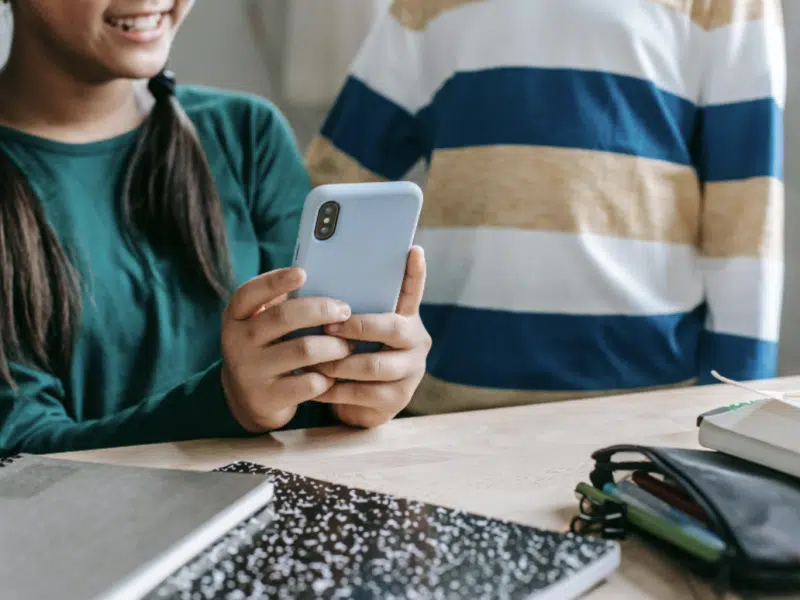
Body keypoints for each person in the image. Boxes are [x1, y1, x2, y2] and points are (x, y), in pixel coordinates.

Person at [306, 0, 786, 414]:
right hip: (447, 400)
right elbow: (334, 181)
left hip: (642, 405)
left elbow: (747, 216)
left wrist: (738, 407)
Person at [0, 0, 432, 455]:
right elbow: (20, 452)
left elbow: (310, 393)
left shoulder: (247, 134)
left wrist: (356, 395)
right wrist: (228, 403)